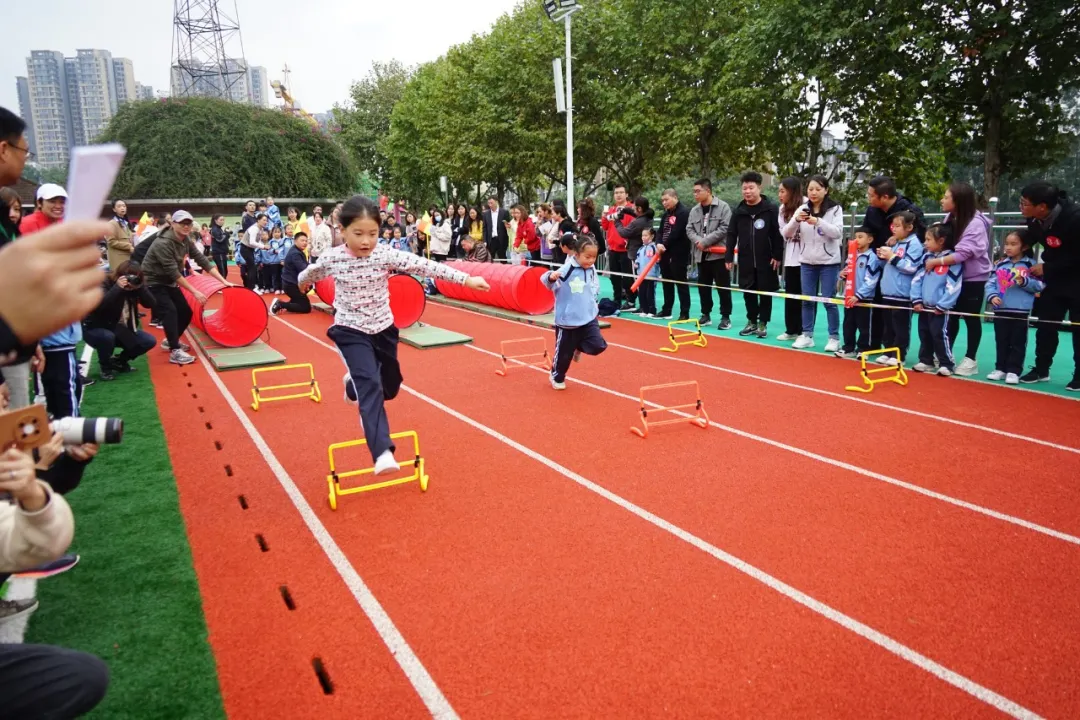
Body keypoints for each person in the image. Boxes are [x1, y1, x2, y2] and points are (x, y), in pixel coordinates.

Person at [297, 196, 490, 475]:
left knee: (390, 386)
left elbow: (424, 266)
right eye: (358, 234)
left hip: (384, 329)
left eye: (373, 234)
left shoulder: (384, 254)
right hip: (350, 330)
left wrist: (466, 279)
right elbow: (309, 273)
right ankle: (382, 451)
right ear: (342, 230)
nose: (366, 241)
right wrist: (303, 285)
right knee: (370, 386)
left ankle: (351, 386)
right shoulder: (332, 258)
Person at [141, 211, 232, 366]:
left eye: (189, 223)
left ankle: (171, 341)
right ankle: (175, 351)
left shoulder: (186, 240)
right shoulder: (163, 243)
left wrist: (224, 281)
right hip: (153, 281)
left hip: (168, 281)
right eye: (182, 223)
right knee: (170, 311)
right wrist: (195, 292)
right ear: (173, 224)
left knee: (186, 312)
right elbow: (173, 272)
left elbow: (202, 260)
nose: (186, 226)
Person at [1017, 182, 1080, 390]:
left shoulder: (1074, 218)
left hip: (1076, 278)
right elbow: (1032, 239)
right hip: (1055, 279)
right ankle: (1041, 369)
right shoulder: (1033, 219)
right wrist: (1014, 258)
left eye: (1025, 203)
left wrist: (1047, 267)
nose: (1021, 206)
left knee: (1077, 327)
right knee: (1045, 324)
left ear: (1042, 206)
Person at [930, 182, 993, 377]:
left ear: (958, 201)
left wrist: (935, 262)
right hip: (952, 276)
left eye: (946, 197)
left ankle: (970, 359)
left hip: (972, 278)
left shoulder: (975, 223)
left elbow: (962, 254)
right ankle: (946, 354)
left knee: (971, 317)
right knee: (951, 315)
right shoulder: (950, 218)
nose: (942, 200)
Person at [541, 234, 608, 390]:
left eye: (594, 257)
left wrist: (593, 300)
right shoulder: (567, 269)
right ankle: (556, 376)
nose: (591, 260)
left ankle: (578, 347)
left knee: (598, 345)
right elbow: (546, 280)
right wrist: (551, 277)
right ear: (576, 254)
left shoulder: (590, 268)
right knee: (564, 355)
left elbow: (593, 285)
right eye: (587, 257)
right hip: (568, 320)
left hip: (589, 316)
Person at [725, 172, 784, 338]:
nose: (747, 191)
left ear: (759, 187)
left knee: (765, 292)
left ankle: (763, 323)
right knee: (748, 291)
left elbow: (777, 233)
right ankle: (751, 320)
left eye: (751, 188)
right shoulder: (739, 211)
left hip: (767, 259)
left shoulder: (770, 209)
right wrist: (729, 255)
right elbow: (731, 234)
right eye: (744, 188)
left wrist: (777, 255)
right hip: (746, 258)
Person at [790, 175, 845, 352]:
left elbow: (837, 233)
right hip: (806, 261)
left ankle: (834, 337)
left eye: (818, 189)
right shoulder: (802, 208)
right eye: (810, 189)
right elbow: (786, 232)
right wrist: (796, 220)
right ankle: (807, 335)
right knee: (807, 300)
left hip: (829, 262)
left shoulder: (835, 209)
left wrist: (818, 222)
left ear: (826, 190)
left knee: (829, 300)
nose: (813, 192)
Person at [985, 230, 1044, 384]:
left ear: (1024, 247)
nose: (1008, 247)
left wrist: (1024, 281)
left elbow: (1039, 285)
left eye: (1013, 244)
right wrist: (992, 296)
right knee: (1001, 340)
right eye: (1006, 244)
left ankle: (1014, 370)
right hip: (1001, 309)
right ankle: (1000, 368)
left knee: (1018, 342)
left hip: (1021, 311)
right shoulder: (1000, 264)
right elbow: (990, 283)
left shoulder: (1031, 265)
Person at [82, 260, 156, 380]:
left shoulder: (135, 287)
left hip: (120, 328)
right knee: (107, 337)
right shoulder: (104, 282)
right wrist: (117, 288)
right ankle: (105, 368)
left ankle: (119, 361)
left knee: (148, 340)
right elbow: (99, 307)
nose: (131, 280)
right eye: (129, 277)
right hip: (95, 327)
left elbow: (151, 304)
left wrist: (140, 287)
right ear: (119, 275)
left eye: (136, 277)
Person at [911, 223, 964, 375]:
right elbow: (917, 279)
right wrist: (916, 300)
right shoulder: (926, 257)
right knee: (924, 333)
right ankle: (926, 360)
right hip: (925, 306)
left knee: (939, 334)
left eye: (928, 240)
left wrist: (943, 305)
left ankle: (946, 363)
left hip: (940, 308)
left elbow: (954, 285)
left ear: (941, 241)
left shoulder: (952, 260)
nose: (925, 243)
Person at [874, 211, 924, 366]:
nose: (893, 229)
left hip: (902, 294)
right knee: (888, 325)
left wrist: (892, 257)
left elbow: (911, 267)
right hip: (888, 291)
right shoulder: (895, 243)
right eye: (892, 225)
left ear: (909, 227)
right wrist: (882, 257)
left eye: (897, 226)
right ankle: (888, 351)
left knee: (900, 326)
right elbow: (889, 265)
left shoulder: (914, 244)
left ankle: (899, 354)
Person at [688, 179, 733, 329]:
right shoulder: (694, 210)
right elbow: (689, 229)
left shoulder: (723, 207)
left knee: (723, 287)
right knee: (703, 287)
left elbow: (725, 228)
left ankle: (725, 317)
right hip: (701, 256)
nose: (695, 194)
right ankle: (705, 314)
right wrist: (698, 242)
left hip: (719, 255)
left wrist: (705, 241)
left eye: (697, 191)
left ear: (708, 191)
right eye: (694, 191)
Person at [838, 227, 882, 358]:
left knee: (864, 326)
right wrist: (841, 275)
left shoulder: (872, 258)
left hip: (863, 298)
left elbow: (872, 280)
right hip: (849, 297)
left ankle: (863, 349)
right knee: (848, 324)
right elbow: (846, 272)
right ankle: (848, 348)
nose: (857, 240)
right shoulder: (852, 255)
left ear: (870, 239)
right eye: (855, 237)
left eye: (860, 237)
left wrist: (859, 295)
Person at [654, 189, 691, 321]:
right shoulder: (666, 214)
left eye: (666, 199)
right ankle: (666, 309)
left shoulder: (684, 213)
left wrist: (664, 244)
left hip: (678, 253)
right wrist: (658, 243)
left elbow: (677, 232)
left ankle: (684, 312)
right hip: (664, 252)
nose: (664, 203)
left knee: (681, 283)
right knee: (667, 282)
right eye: (662, 200)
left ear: (675, 197)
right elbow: (659, 231)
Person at [777, 177, 805, 340]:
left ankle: (804, 331)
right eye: (779, 191)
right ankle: (791, 330)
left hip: (808, 258)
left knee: (805, 296)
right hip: (792, 257)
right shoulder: (782, 209)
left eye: (782, 191)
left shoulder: (807, 205)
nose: (780, 195)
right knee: (791, 294)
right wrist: (795, 220)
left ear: (792, 191)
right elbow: (785, 233)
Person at [600, 186, 635, 308]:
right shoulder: (611, 209)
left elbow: (633, 227)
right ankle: (617, 299)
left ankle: (631, 300)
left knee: (627, 277)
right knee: (614, 277)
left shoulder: (631, 209)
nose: (618, 195)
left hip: (626, 249)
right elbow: (605, 227)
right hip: (613, 249)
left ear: (626, 194)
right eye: (616, 193)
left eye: (621, 192)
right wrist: (604, 216)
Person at [272, 232, 312, 315]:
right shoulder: (295, 253)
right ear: (295, 241)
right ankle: (281, 304)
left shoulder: (297, 250)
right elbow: (304, 268)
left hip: (291, 283)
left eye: (306, 241)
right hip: (291, 285)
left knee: (310, 285)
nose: (304, 243)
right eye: (302, 240)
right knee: (306, 307)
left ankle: (293, 302)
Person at [635, 227, 661, 316]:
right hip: (641, 275)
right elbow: (638, 258)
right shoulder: (641, 249)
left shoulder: (654, 247)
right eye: (642, 235)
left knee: (650, 293)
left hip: (651, 275)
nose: (643, 237)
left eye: (646, 235)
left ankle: (652, 310)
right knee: (642, 293)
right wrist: (636, 264)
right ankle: (644, 310)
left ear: (652, 236)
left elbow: (658, 259)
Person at [105, 200, 134, 272]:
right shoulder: (111, 224)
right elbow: (111, 241)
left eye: (124, 206)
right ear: (114, 209)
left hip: (128, 258)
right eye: (119, 206)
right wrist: (128, 246)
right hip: (118, 260)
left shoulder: (125, 223)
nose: (122, 208)